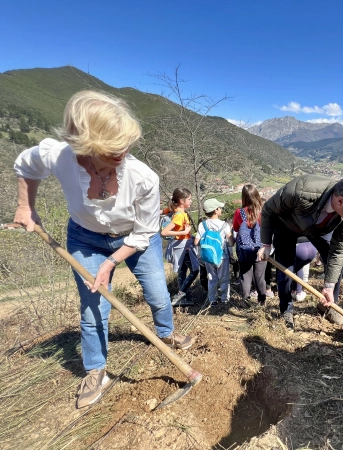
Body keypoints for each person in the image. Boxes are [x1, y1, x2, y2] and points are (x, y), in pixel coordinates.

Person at [13, 90, 195, 409]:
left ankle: (166, 334)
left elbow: (142, 235)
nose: (123, 152)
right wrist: (24, 207)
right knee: (93, 305)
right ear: (86, 144)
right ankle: (96, 369)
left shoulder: (143, 178)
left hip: (137, 239)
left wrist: (111, 262)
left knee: (157, 293)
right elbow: (26, 165)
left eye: (125, 144)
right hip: (85, 238)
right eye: (113, 148)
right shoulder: (60, 156)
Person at [257, 174, 343, 327]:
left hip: (318, 229)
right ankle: (286, 310)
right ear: (341, 201)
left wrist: (329, 285)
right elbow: (268, 210)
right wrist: (266, 244)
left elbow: (338, 251)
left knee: (338, 265)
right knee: (286, 269)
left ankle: (327, 304)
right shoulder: (300, 191)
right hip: (287, 226)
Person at [161, 188, 198, 307]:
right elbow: (164, 232)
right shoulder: (179, 215)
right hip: (183, 245)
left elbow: (162, 211)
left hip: (179, 246)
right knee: (195, 270)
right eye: (189, 199)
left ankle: (182, 297)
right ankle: (179, 296)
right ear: (182, 201)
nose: (191, 201)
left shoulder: (174, 209)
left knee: (182, 271)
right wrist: (184, 232)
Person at [232, 184, 268, 305]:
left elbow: (236, 229)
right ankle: (261, 301)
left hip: (244, 249)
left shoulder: (239, 212)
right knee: (260, 276)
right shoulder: (263, 212)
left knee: (245, 275)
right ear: (257, 195)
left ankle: (245, 300)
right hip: (261, 248)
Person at [196, 198, 234, 305]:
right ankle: (224, 299)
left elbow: (196, 242)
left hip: (208, 257)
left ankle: (212, 300)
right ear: (216, 210)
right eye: (220, 208)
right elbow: (231, 242)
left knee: (212, 278)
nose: (221, 209)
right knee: (224, 279)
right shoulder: (224, 225)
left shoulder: (202, 225)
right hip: (222, 256)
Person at [291, 237, 318, 302]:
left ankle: (296, 292)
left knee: (295, 268)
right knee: (300, 266)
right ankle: (297, 291)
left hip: (299, 247)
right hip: (312, 247)